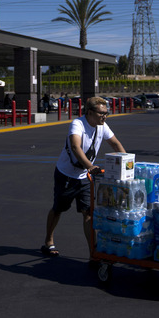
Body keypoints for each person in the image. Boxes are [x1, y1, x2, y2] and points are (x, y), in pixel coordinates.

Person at [42, 96, 125, 266]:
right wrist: (90, 166)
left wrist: (127, 164)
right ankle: (48, 241)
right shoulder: (78, 124)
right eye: (101, 113)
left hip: (85, 178)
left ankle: (92, 254)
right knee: (58, 209)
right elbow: (75, 146)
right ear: (90, 112)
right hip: (66, 174)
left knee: (88, 214)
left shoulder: (103, 126)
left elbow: (116, 144)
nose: (105, 116)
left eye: (106, 113)